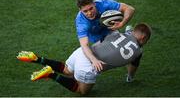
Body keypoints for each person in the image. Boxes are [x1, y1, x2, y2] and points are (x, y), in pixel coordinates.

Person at [17, 23, 151, 95]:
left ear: (134, 32)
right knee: (81, 90)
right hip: (90, 65)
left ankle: (37, 59)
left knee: (67, 69)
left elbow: (125, 32)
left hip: (84, 51)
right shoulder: (138, 51)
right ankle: (50, 74)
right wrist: (130, 77)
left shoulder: (117, 33)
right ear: (143, 39)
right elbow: (133, 67)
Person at [75, 0, 135, 73]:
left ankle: (130, 76)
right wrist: (94, 60)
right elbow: (84, 45)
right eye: (85, 11)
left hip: (110, 31)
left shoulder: (104, 4)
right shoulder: (81, 22)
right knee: (99, 65)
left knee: (130, 51)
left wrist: (122, 24)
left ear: (94, 3)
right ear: (80, 10)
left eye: (91, 8)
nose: (89, 13)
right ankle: (127, 34)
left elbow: (130, 9)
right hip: (96, 39)